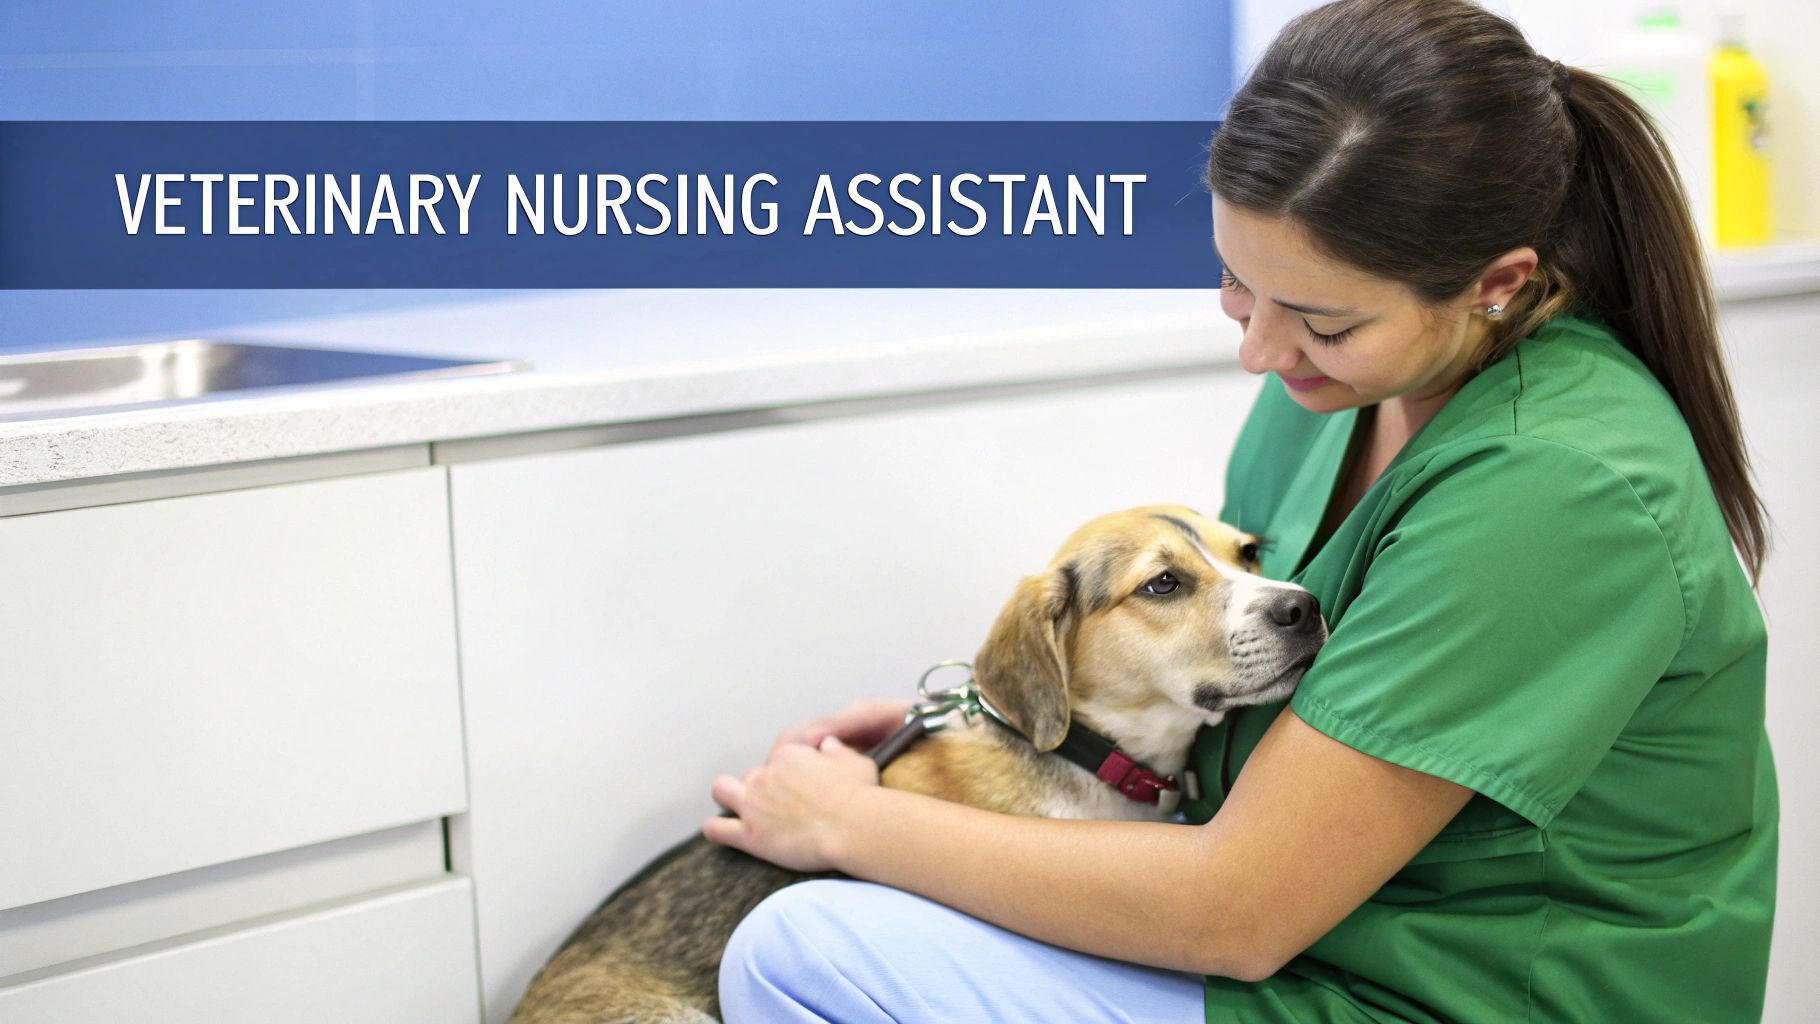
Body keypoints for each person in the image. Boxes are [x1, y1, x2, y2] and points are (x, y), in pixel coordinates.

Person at [701, 0, 1778, 1019]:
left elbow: (1238, 907)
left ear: (1494, 281)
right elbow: (1238, 676)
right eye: (1232, 284)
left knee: (801, 951)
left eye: (1317, 317)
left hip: (1453, 995)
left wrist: (853, 822)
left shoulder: (1557, 485)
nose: (1257, 351)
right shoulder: (1337, 389)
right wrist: (1015, 724)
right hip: (1321, 954)